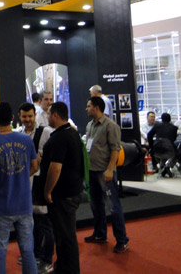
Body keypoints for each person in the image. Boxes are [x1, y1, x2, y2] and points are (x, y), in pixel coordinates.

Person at [0, 102, 39, 274]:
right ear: (13, 118)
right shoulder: (26, 140)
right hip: (24, 204)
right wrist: (20, 176)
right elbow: (35, 166)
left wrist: (0, 176)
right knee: (28, 250)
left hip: (2, 206)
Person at [42, 101, 84, 274]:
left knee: (66, 238)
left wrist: (47, 191)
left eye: (49, 114)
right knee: (63, 236)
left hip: (63, 194)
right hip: (72, 190)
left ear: (55, 115)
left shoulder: (60, 137)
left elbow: (55, 168)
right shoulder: (72, 133)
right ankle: (62, 267)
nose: (47, 117)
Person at [84, 96, 129, 253]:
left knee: (113, 207)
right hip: (92, 171)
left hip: (104, 172)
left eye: (88, 106)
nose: (86, 109)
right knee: (96, 205)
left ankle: (122, 240)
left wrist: (110, 169)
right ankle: (100, 234)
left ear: (96, 107)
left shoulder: (111, 126)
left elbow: (115, 149)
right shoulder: (89, 125)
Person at [17, 102, 54, 273]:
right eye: (24, 116)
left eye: (30, 116)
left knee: (45, 223)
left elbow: (54, 154)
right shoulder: (19, 134)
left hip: (40, 183)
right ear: (20, 116)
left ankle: (47, 259)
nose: (27, 119)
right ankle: (35, 254)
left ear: (35, 116)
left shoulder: (45, 132)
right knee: (33, 222)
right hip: (26, 184)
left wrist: (41, 158)